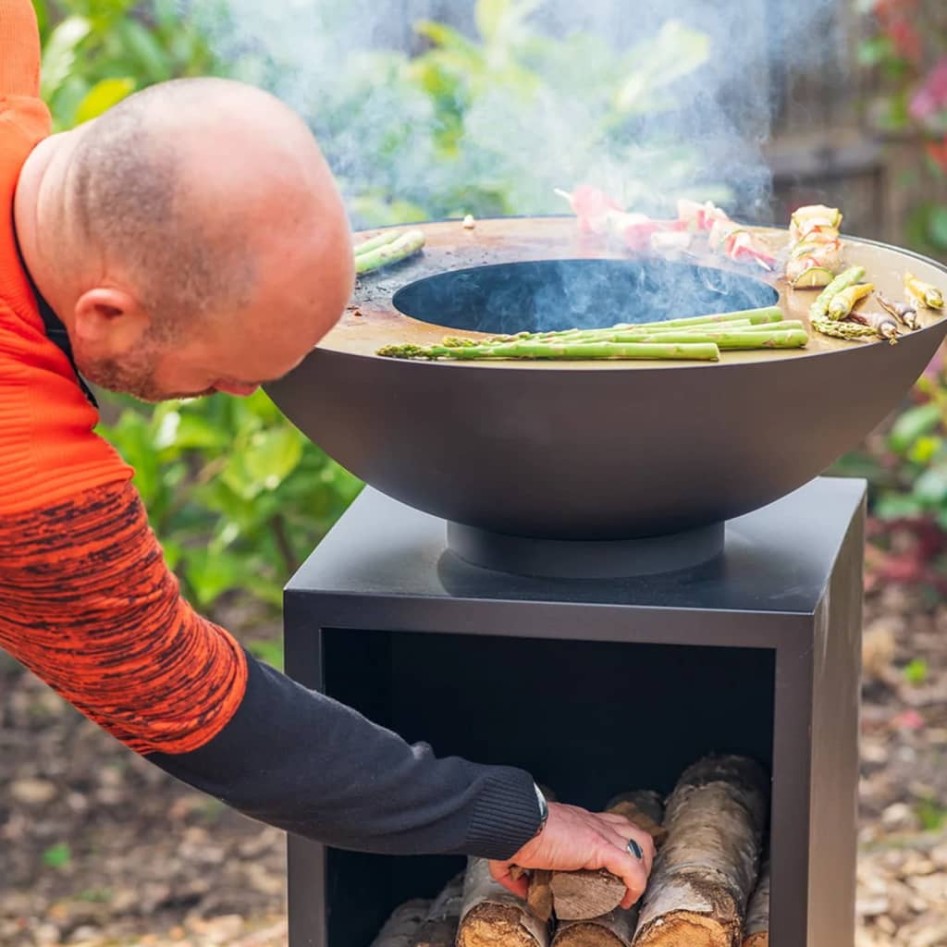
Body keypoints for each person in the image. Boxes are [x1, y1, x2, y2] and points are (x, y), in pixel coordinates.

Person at [0, 0, 655, 910]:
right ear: (107, 314)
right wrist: (515, 813)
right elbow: (197, 707)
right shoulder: (25, 475)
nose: (238, 394)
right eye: (226, 376)